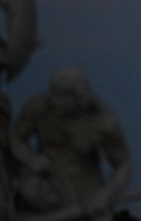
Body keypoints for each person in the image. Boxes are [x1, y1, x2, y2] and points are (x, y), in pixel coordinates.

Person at [11, 69, 132, 221]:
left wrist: (106, 195)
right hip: (45, 194)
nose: (54, 101)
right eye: (52, 94)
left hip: (86, 197)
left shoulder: (103, 124)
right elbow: (16, 138)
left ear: (78, 98)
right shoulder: (38, 108)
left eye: (60, 97)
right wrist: (30, 158)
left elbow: (123, 165)